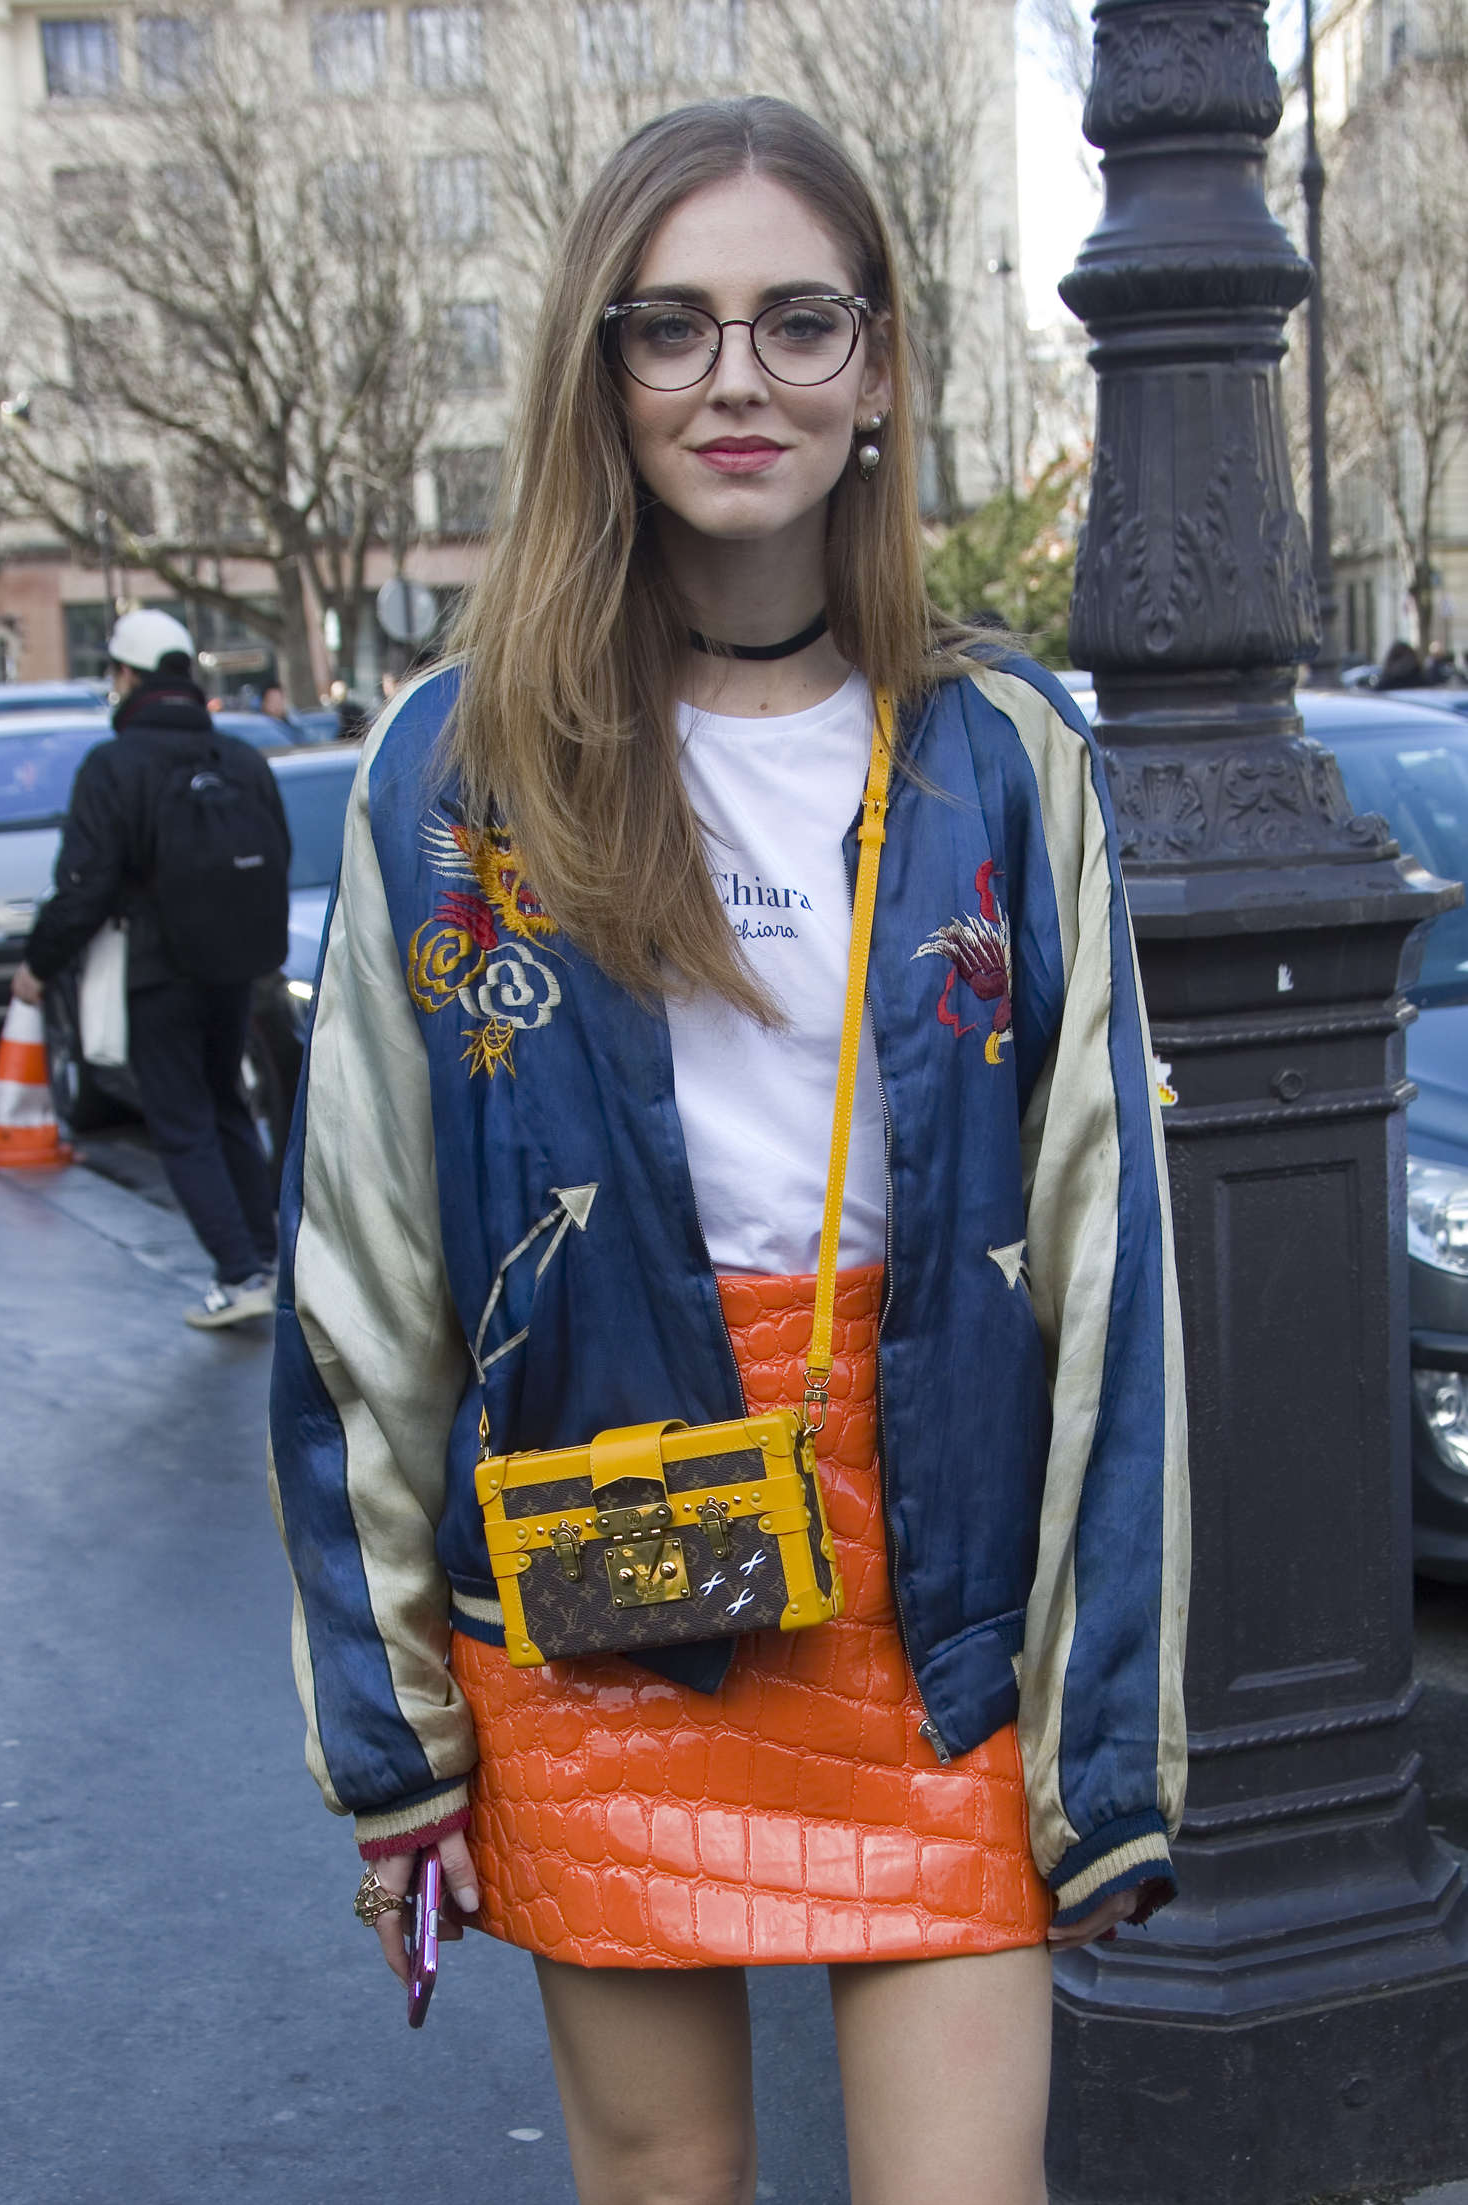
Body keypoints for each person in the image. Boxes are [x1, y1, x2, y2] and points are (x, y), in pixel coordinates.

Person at [268, 99, 1188, 2205]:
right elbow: (365, 1275)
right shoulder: (456, 761)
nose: (736, 379)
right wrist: (389, 1726)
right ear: (598, 374)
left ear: (875, 371)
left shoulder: (1000, 745)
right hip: (597, 1575)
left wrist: (1109, 1732)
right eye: (669, 328)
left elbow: (1106, 1242)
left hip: (936, 1578)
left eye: (796, 322)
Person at [13, 607, 289, 1330]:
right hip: (234, 964)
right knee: (226, 1099)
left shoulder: (114, 766)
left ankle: (239, 1272)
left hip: (156, 968)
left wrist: (41, 965)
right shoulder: (238, 757)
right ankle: (268, 1255)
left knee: (181, 1119)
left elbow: (86, 882)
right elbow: (280, 854)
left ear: (128, 676)